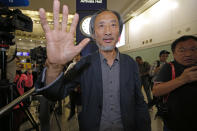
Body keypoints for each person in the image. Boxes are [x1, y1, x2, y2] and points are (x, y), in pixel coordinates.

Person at [36, 0, 151, 130]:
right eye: (101, 26)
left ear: (119, 32)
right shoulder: (85, 63)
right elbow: (55, 93)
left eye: (113, 25)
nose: (108, 31)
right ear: (93, 34)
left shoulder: (130, 63)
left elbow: (139, 102)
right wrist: (55, 67)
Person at [152, 35, 197, 131]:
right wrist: (183, 79)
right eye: (182, 50)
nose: (188, 54)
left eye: (193, 49)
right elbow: (156, 91)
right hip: (174, 124)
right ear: (174, 53)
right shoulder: (168, 67)